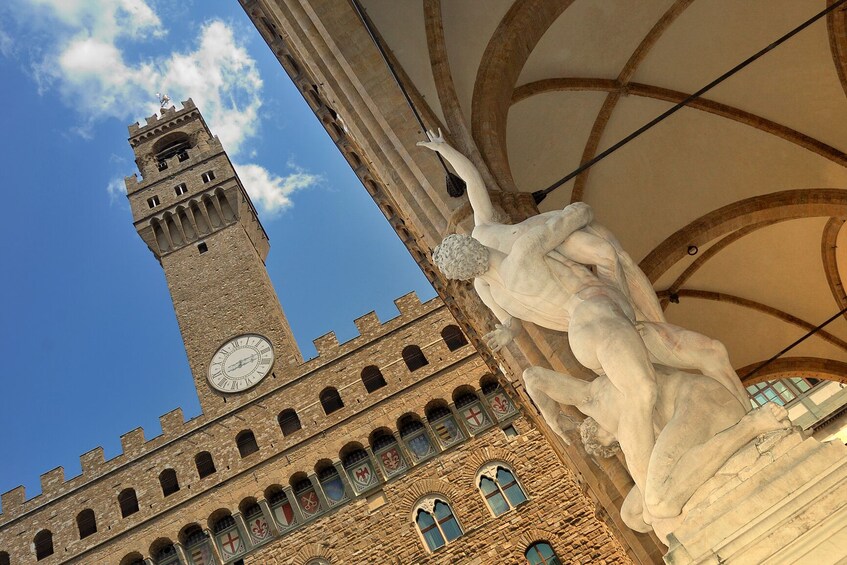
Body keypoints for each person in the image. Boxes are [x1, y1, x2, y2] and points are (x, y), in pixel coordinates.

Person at [419, 130, 749, 409]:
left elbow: (473, 181)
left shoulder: (484, 231)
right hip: (571, 292)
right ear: (467, 273)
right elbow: (508, 319)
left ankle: (640, 316)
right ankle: (639, 323)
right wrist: (507, 330)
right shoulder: (488, 286)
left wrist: (444, 149)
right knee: (647, 371)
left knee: (608, 253)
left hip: (553, 239)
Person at [522, 364, 791, 537]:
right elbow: (532, 377)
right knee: (637, 515)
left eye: (605, 437)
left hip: (701, 403)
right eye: (611, 442)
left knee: (659, 503)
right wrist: (551, 417)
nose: (613, 437)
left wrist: (553, 420)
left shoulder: (601, 402)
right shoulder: (627, 414)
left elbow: (532, 376)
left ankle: (753, 425)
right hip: (705, 413)